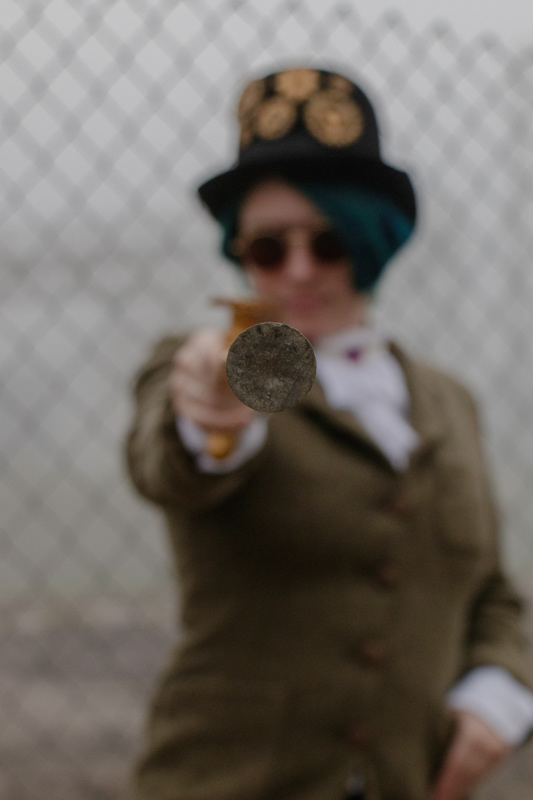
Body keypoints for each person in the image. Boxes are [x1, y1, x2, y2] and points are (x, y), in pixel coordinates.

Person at [125, 68, 533, 800]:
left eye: (329, 242)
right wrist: (211, 413)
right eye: (268, 248)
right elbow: (175, 461)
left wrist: (498, 697)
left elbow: (490, 590)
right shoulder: (203, 364)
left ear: (370, 240)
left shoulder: (450, 401)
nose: (299, 270)